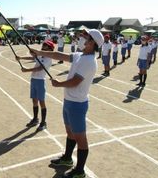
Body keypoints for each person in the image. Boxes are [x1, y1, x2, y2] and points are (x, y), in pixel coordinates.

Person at [30, 29, 104, 178]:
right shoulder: (79, 55)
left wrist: (59, 84)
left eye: (85, 36)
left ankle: (80, 171)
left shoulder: (89, 61)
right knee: (70, 132)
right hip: (69, 101)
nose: (82, 38)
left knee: (80, 137)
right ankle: (67, 159)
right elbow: (59, 55)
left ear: (92, 43)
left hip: (77, 104)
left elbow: (76, 81)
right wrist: (39, 52)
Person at [16, 40, 54, 132]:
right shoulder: (40, 55)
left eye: (46, 45)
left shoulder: (49, 59)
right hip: (33, 80)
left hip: (40, 81)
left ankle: (43, 122)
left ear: (50, 48)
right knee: (34, 101)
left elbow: (40, 68)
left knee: (41, 102)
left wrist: (27, 70)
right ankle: (35, 119)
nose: (43, 46)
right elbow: (32, 58)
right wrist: (20, 57)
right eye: (43, 44)